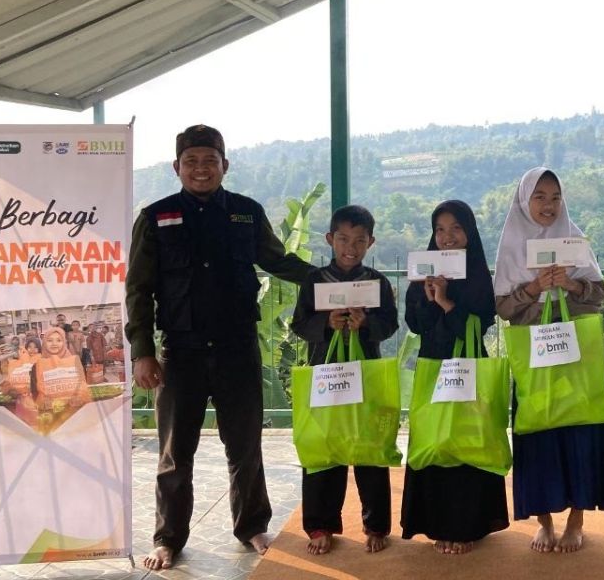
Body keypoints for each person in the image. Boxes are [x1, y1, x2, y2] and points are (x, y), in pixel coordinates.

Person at [125, 124, 313, 571]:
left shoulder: (247, 213)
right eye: (191, 161)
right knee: (175, 453)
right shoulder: (155, 217)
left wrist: (333, 279)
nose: (201, 169)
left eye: (210, 160)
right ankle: (168, 538)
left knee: (245, 445)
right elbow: (138, 289)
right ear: (176, 167)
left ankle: (252, 526)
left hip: (237, 348)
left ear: (224, 165)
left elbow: (279, 261)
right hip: (181, 352)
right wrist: (142, 351)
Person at [494, 167, 604, 553]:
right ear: (523, 200)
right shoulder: (511, 246)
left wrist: (571, 283)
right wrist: (534, 287)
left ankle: (576, 520)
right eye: (540, 197)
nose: (549, 205)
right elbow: (503, 308)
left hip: (575, 353)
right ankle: (544, 521)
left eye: (555, 197)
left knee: (579, 430)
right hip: (535, 354)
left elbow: (600, 294)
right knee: (538, 432)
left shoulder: (573, 238)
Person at [400, 200, 509, 554]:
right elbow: (415, 324)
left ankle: (467, 527)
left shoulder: (477, 273)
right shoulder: (425, 270)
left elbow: (480, 326)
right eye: (440, 230)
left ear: (469, 232)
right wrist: (428, 297)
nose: (447, 236)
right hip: (433, 363)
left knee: (467, 440)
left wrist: (447, 301)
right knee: (434, 439)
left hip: (468, 365)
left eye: (456, 228)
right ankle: (437, 525)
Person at [290, 204, 399, 556]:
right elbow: (298, 324)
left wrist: (366, 324)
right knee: (324, 447)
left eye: (359, 240)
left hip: (366, 374)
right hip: (326, 371)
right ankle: (320, 525)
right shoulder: (314, 280)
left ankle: (377, 525)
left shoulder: (377, 282)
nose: (350, 247)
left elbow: (390, 324)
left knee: (371, 446)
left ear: (371, 242)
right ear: (329, 239)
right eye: (342, 239)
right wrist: (326, 324)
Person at [33, 326, 91, 410]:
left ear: (64, 342)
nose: (54, 344)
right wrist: (43, 401)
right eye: (50, 340)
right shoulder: (38, 365)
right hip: (51, 412)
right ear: (44, 342)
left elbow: (82, 384)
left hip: (75, 409)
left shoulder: (74, 361)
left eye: (59, 340)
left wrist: (79, 397)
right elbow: (35, 393)